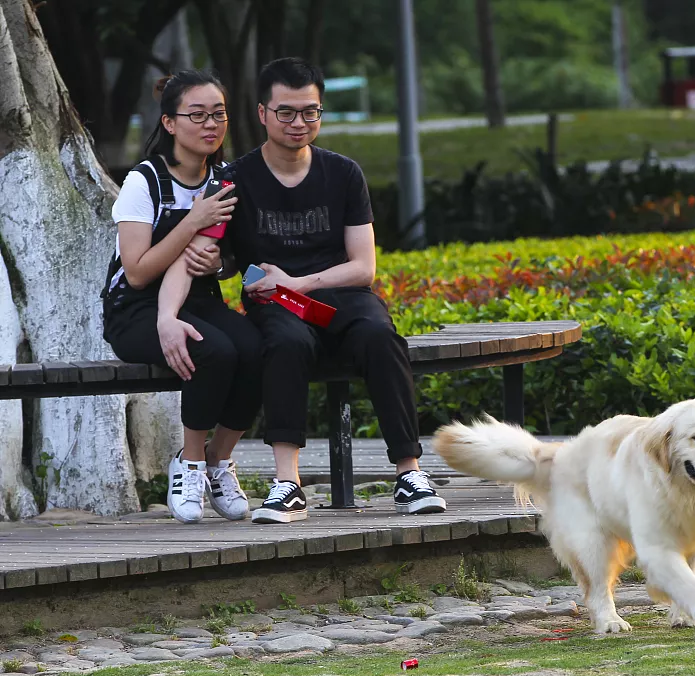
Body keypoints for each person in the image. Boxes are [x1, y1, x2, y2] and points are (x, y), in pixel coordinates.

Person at [229, 57, 445, 524]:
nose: (299, 123)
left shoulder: (344, 173)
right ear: (262, 113)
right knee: (285, 343)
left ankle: (410, 473)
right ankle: (288, 484)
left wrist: (301, 281)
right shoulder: (236, 179)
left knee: (378, 335)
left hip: (342, 297)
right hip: (276, 304)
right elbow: (220, 256)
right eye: (286, 112)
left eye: (310, 111)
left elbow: (363, 267)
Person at [103, 70, 262, 525]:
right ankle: (188, 465)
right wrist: (192, 222)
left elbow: (233, 261)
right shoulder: (145, 181)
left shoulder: (225, 181)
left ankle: (217, 461)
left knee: (255, 347)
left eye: (218, 115)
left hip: (201, 299)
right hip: (135, 311)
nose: (210, 125)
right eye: (197, 115)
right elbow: (135, 273)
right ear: (170, 123)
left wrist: (219, 265)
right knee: (213, 351)